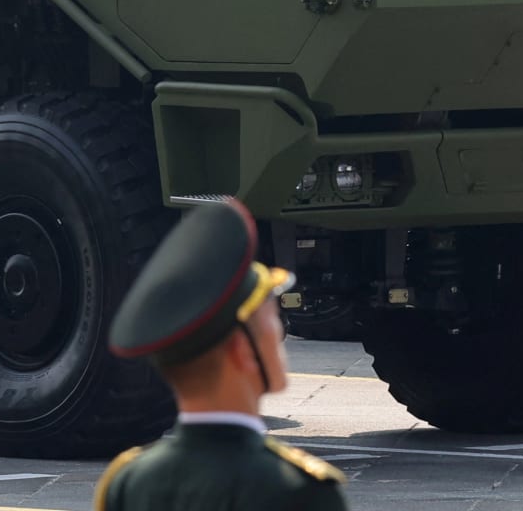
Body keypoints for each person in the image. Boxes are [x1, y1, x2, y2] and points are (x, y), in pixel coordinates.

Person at [95, 197, 348, 511]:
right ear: (242, 350)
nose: (279, 330)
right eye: (271, 317)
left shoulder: (127, 484)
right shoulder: (298, 491)